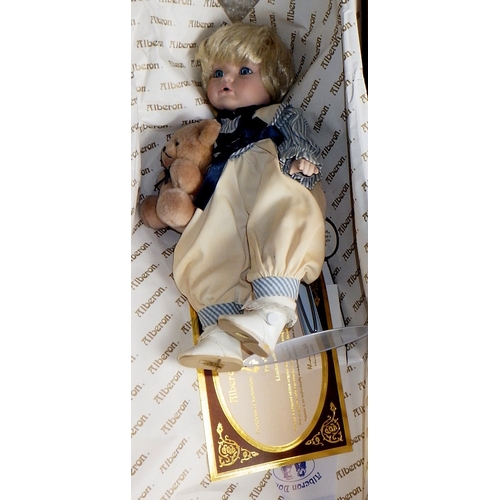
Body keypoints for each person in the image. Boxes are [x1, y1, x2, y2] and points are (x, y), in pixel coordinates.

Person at [174, 22, 326, 372]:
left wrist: (300, 159)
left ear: (272, 81)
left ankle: (272, 308)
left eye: (244, 71)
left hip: (271, 177)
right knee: (210, 242)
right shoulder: (212, 132)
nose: (227, 79)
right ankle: (222, 328)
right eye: (218, 73)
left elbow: (297, 137)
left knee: (283, 210)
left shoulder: (277, 115)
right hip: (227, 195)